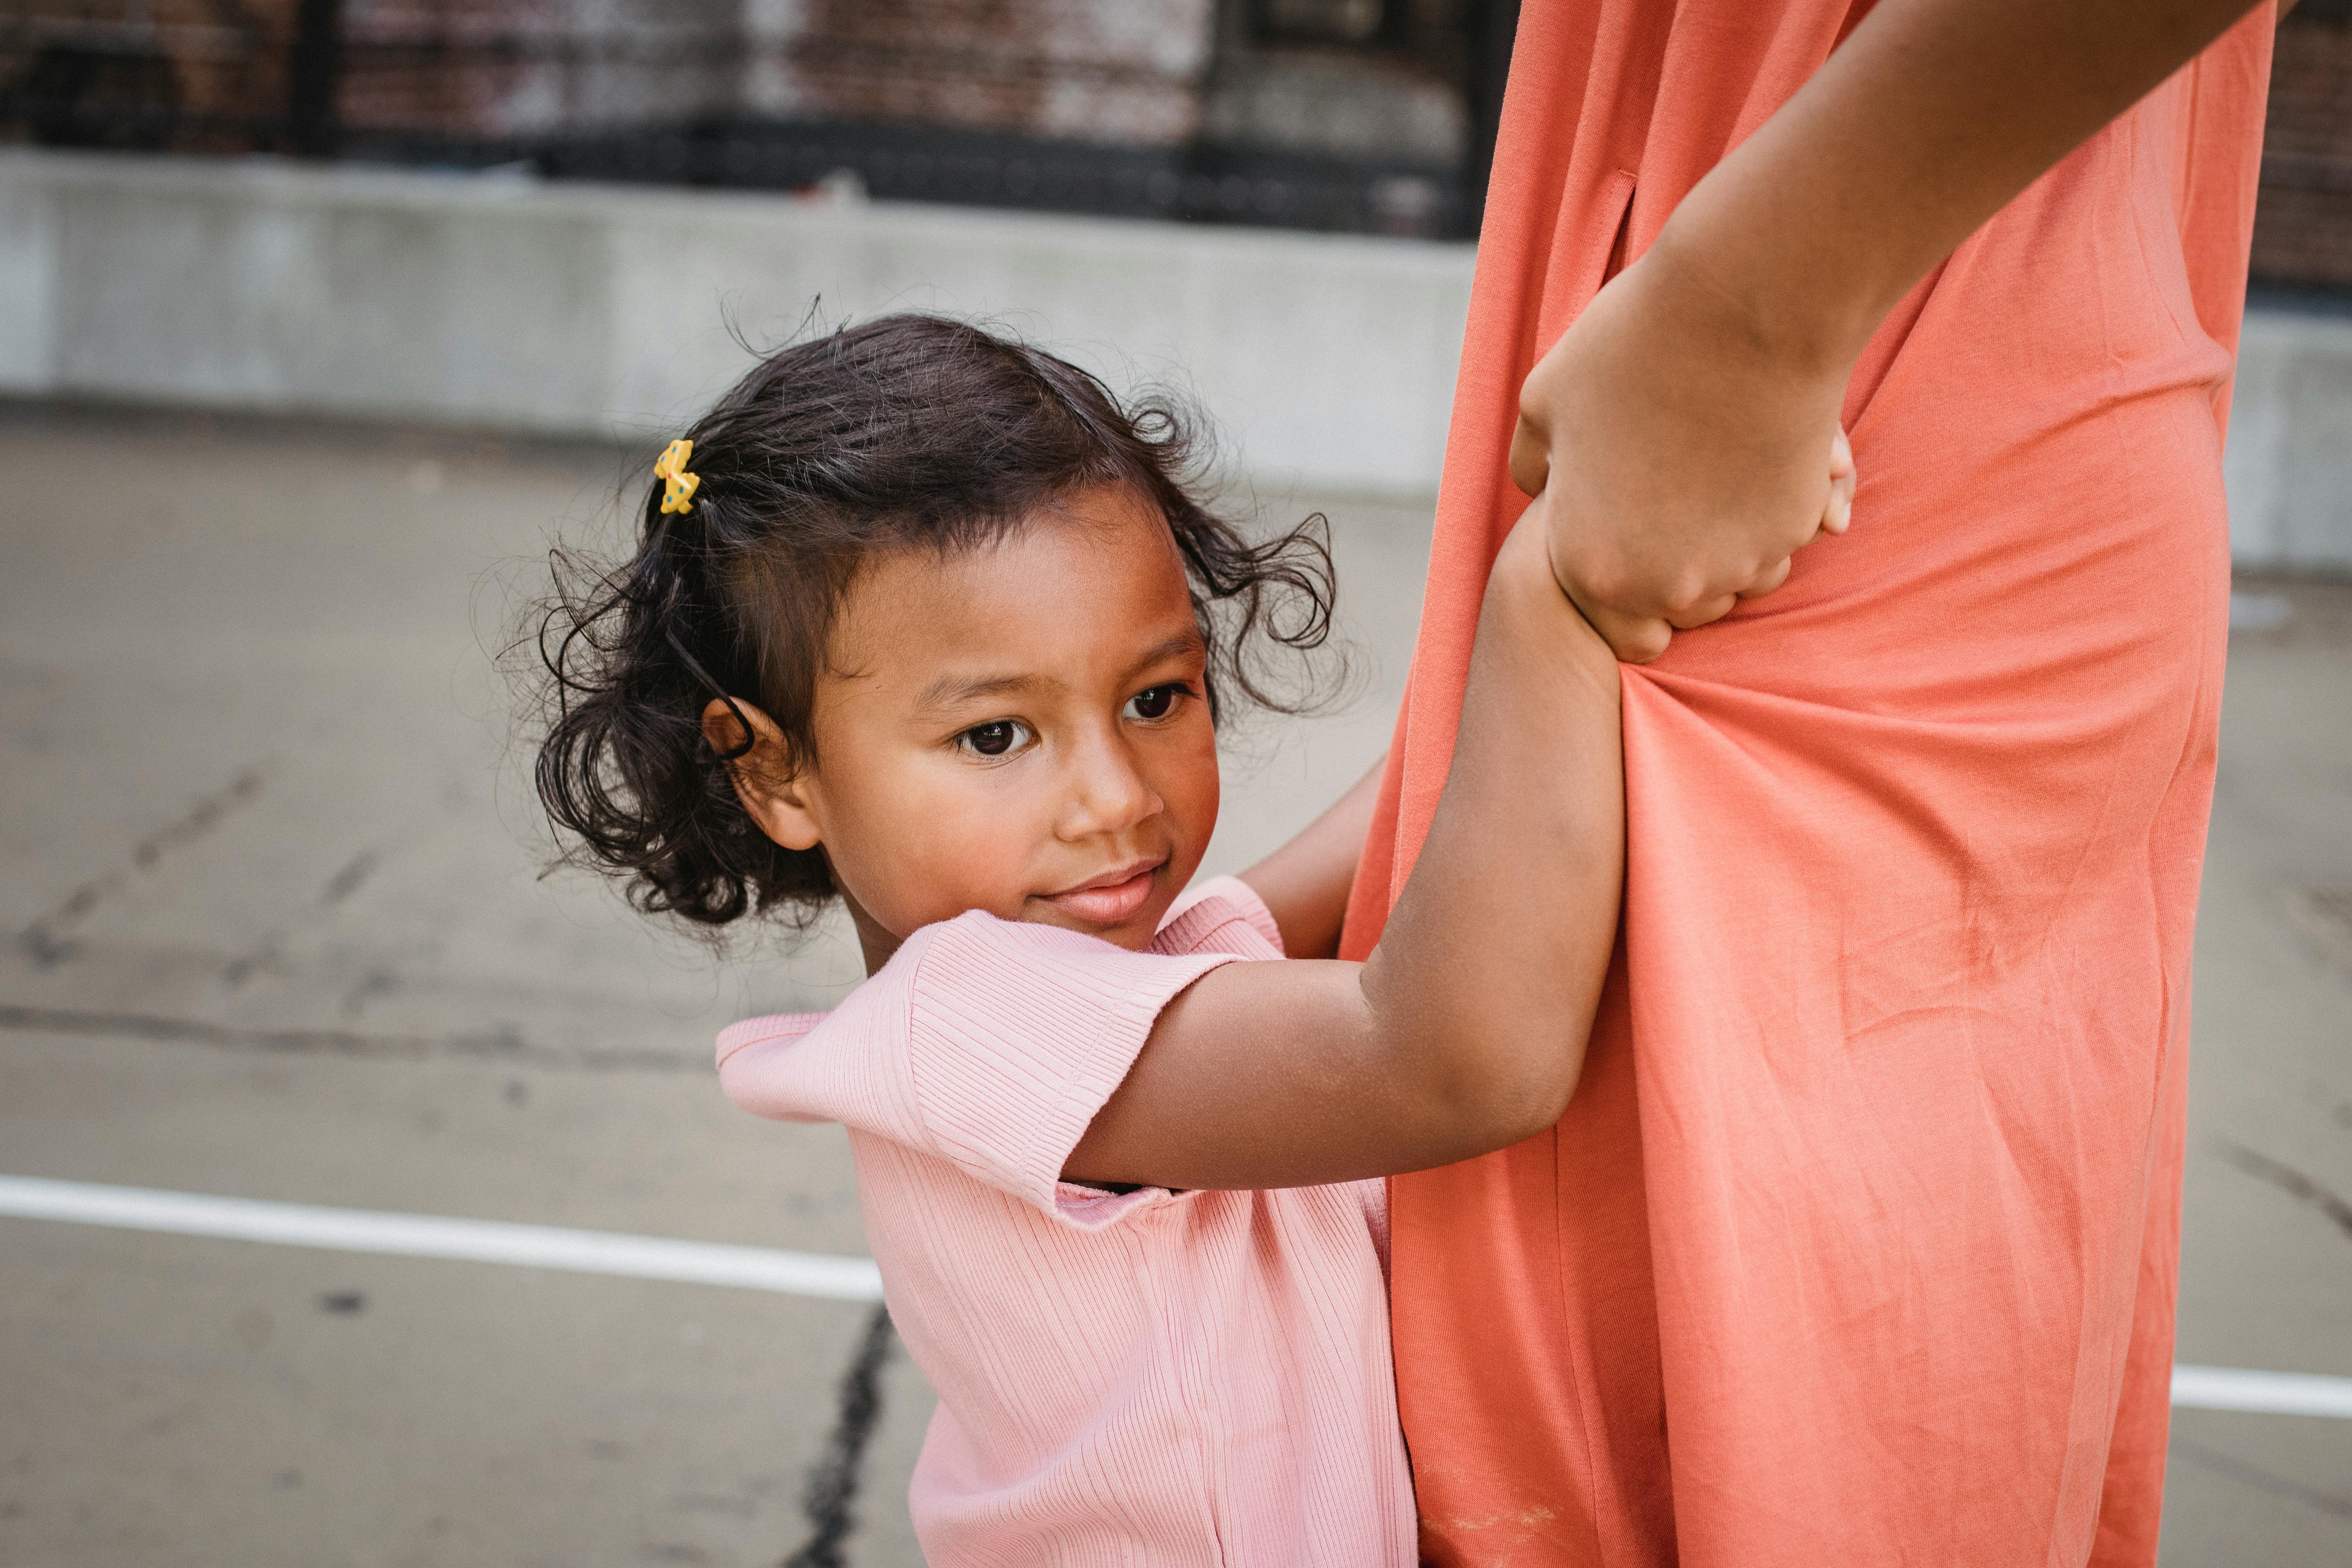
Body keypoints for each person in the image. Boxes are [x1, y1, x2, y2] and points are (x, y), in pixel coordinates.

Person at [529, 314, 1740, 1563]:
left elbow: (1408, 816)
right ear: (774, 773)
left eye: (1155, 698)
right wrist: (1558, 591)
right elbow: (1463, 1060)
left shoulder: (1092, 980)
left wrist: (1637, 503)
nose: (1118, 798)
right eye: (997, 736)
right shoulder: (974, 1023)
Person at [1339, 1, 2278, 1564]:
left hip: (1824, 417)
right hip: (1762, 374)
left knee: (1708, 1445)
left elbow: (1459, 1054)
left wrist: (1750, 312)